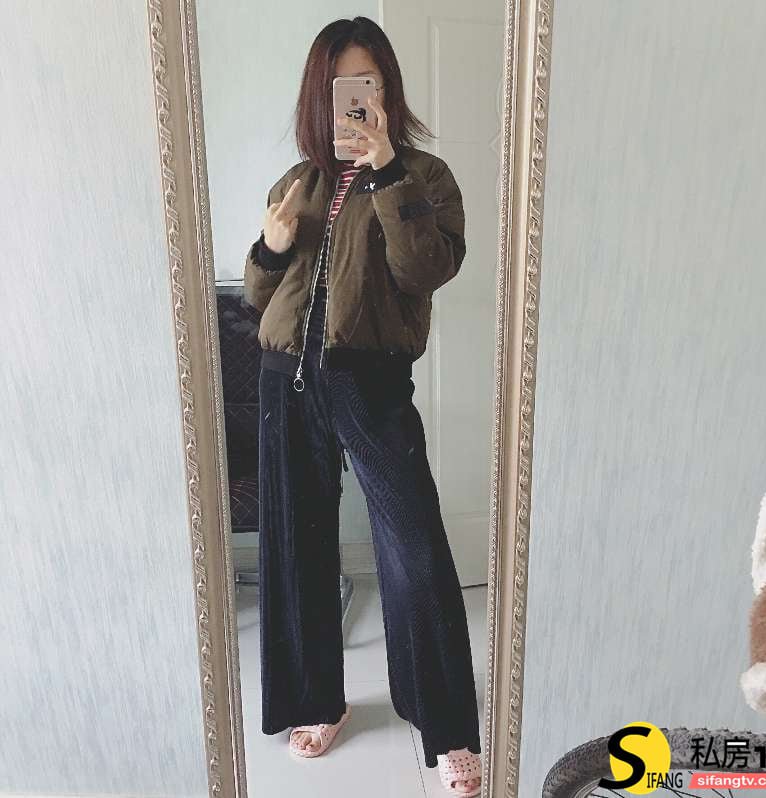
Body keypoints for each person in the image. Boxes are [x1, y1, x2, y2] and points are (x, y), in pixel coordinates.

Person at [243, 16, 482, 797]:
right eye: (343, 85)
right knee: (297, 543)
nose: (356, 101)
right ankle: (317, 701)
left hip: (369, 379)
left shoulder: (426, 176)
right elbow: (259, 297)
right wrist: (271, 246)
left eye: (368, 83)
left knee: (413, 547)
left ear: (387, 90)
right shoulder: (297, 181)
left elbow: (425, 270)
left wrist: (386, 171)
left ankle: (445, 725)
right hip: (285, 377)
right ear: (320, 94)